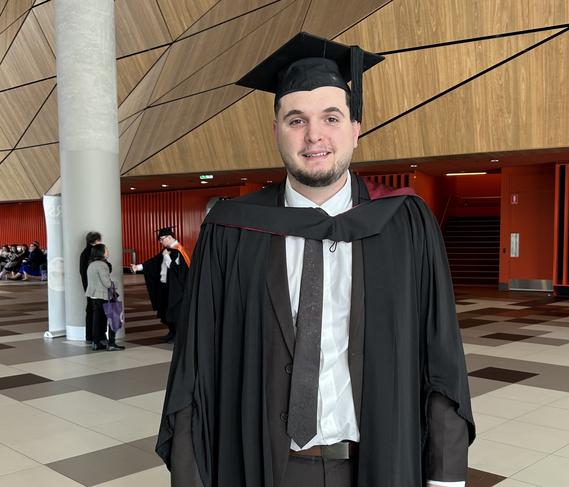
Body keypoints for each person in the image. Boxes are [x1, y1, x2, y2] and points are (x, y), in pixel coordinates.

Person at [156, 32, 474, 487]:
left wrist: (445, 479)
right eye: (296, 120)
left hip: (375, 465)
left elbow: (441, 359)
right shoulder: (231, 230)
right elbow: (194, 368)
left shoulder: (405, 226)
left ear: (355, 129)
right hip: (259, 468)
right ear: (277, 131)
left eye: (331, 116)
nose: (314, 135)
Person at [130, 227, 190, 343]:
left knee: (175, 312)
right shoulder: (166, 250)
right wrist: (137, 267)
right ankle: (171, 332)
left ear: (169, 237)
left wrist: (167, 257)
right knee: (165, 309)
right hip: (165, 287)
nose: (160, 241)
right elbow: (153, 263)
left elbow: (178, 271)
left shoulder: (179, 252)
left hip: (175, 289)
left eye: (162, 239)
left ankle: (178, 335)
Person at [85, 243, 125, 351]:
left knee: (97, 320)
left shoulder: (91, 264)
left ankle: (96, 343)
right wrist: (116, 284)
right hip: (102, 296)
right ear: (101, 252)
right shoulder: (102, 265)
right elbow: (107, 283)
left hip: (93, 295)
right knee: (113, 317)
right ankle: (111, 343)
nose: (108, 251)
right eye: (106, 249)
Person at [80, 231, 102, 343]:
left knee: (90, 309)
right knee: (95, 310)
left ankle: (90, 336)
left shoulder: (84, 253)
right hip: (95, 286)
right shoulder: (93, 253)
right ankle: (96, 336)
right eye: (99, 240)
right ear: (95, 241)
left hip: (88, 285)